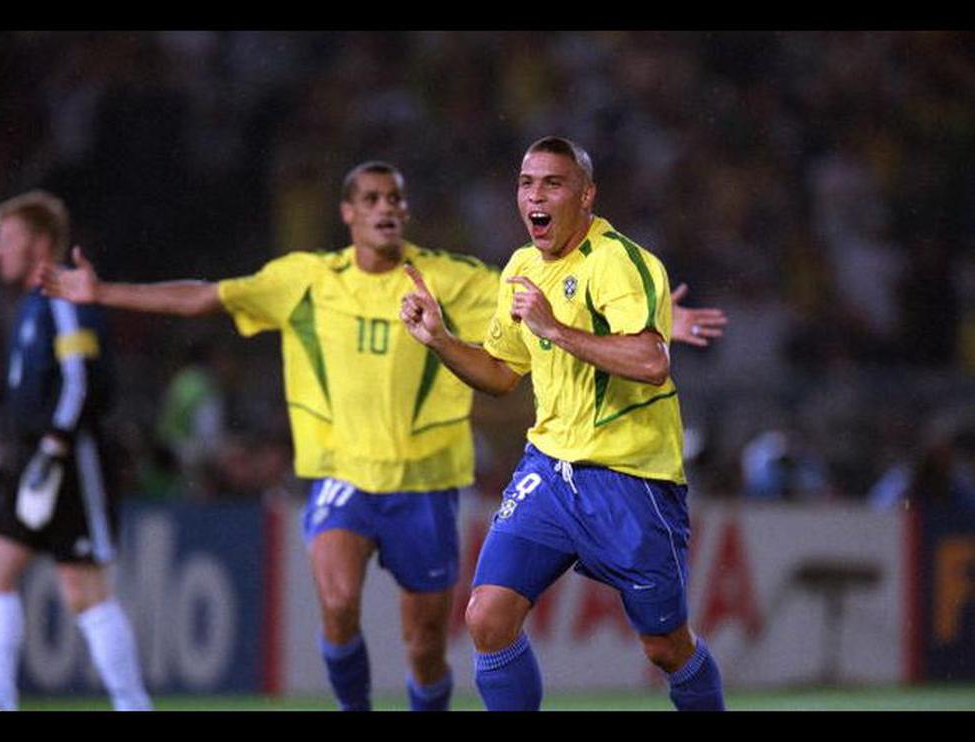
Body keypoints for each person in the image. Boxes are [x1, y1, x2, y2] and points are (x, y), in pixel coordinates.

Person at [42, 161, 726, 712]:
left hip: (454, 480)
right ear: (348, 212)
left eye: (395, 196)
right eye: (370, 197)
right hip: (408, 472)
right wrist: (102, 294)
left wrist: (661, 311)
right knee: (460, 614)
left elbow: (590, 309)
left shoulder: (458, 275)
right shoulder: (310, 278)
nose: (385, 208)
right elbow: (208, 295)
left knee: (654, 645)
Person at [400, 137, 725, 711]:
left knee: (665, 646)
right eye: (527, 183)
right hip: (549, 471)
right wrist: (440, 340)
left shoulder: (620, 262)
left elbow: (652, 362)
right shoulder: (522, 268)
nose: (535, 196)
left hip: (631, 479)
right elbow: (502, 373)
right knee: (487, 618)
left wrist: (557, 331)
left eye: (553, 183)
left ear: (586, 195)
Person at [0, 191, 151, 711]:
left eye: (8, 237)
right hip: (33, 461)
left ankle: (134, 706)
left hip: (68, 461)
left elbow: (80, 381)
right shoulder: (29, 306)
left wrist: (54, 448)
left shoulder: (60, 296)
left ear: (40, 243)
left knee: (84, 592)